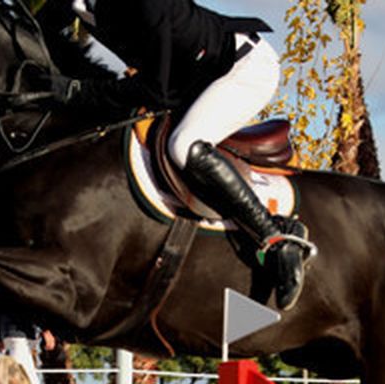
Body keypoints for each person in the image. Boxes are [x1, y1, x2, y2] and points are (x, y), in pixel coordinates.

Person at [47, 0, 313, 311]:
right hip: (189, 77)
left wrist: (80, 91)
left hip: (242, 68)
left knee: (185, 145)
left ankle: (278, 240)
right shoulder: (76, 3)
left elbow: (155, 90)